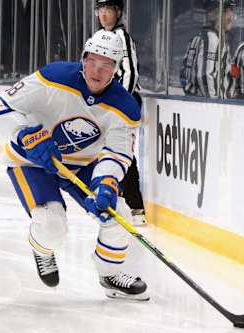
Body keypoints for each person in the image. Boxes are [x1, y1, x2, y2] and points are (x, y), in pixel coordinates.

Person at [0, 29, 149, 301]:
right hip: (32, 162)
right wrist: (25, 133)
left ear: (116, 70)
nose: (96, 72)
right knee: (52, 224)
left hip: (81, 164)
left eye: (106, 65)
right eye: (92, 62)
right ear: (83, 58)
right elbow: (1, 108)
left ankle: (110, 274)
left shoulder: (125, 106)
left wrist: (106, 182)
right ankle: (43, 249)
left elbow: (117, 153)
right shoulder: (54, 77)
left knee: (116, 211)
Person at [95, 0, 147, 226]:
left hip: (122, 103)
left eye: (108, 10)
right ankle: (120, 198)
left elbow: (130, 73)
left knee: (122, 150)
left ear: (118, 13)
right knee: (108, 150)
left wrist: (120, 103)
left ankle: (136, 208)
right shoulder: (98, 37)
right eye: (100, 10)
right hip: (107, 103)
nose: (103, 14)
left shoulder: (121, 37)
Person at [180, 0, 237, 98]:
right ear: (217, 14)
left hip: (196, 103)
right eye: (229, 10)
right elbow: (205, 76)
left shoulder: (197, 38)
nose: (232, 17)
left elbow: (183, 75)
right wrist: (214, 103)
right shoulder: (212, 40)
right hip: (209, 108)